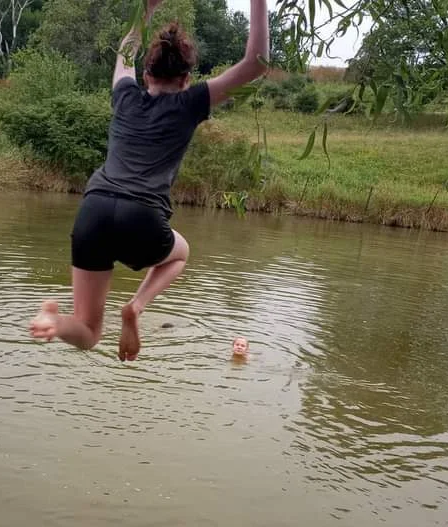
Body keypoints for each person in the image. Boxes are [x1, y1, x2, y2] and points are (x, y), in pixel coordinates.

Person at [30, 0, 269, 361]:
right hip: (140, 215)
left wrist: (146, 9)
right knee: (181, 251)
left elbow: (125, 53)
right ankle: (136, 307)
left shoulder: (125, 96)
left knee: (87, 330)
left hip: (93, 208)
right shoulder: (191, 102)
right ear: (186, 79)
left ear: (146, 76)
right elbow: (256, 63)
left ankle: (55, 320)